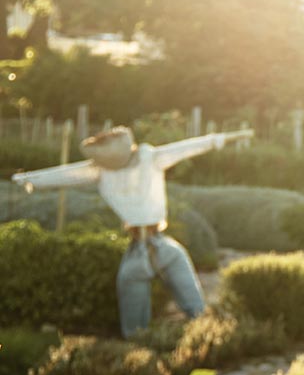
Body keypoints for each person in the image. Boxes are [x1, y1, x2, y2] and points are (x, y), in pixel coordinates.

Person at [11, 126, 254, 338]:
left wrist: (28, 179)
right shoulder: (110, 167)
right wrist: (28, 178)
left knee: (176, 302)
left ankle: (172, 337)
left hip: (152, 245)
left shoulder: (147, 159)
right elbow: (66, 174)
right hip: (147, 247)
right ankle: (155, 343)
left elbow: (191, 146)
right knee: (168, 304)